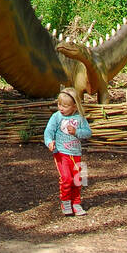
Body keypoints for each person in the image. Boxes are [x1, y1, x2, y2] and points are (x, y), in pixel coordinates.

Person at [44, 87, 92, 216]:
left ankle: (76, 203)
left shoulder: (80, 118)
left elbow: (88, 133)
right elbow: (49, 131)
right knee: (66, 178)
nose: (61, 108)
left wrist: (77, 132)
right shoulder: (56, 117)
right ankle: (65, 202)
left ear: (74, 106)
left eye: (65, 106)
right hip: (61, 152)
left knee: (78, 179)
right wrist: (49, 142)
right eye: (59, 104)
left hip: (76, 154)